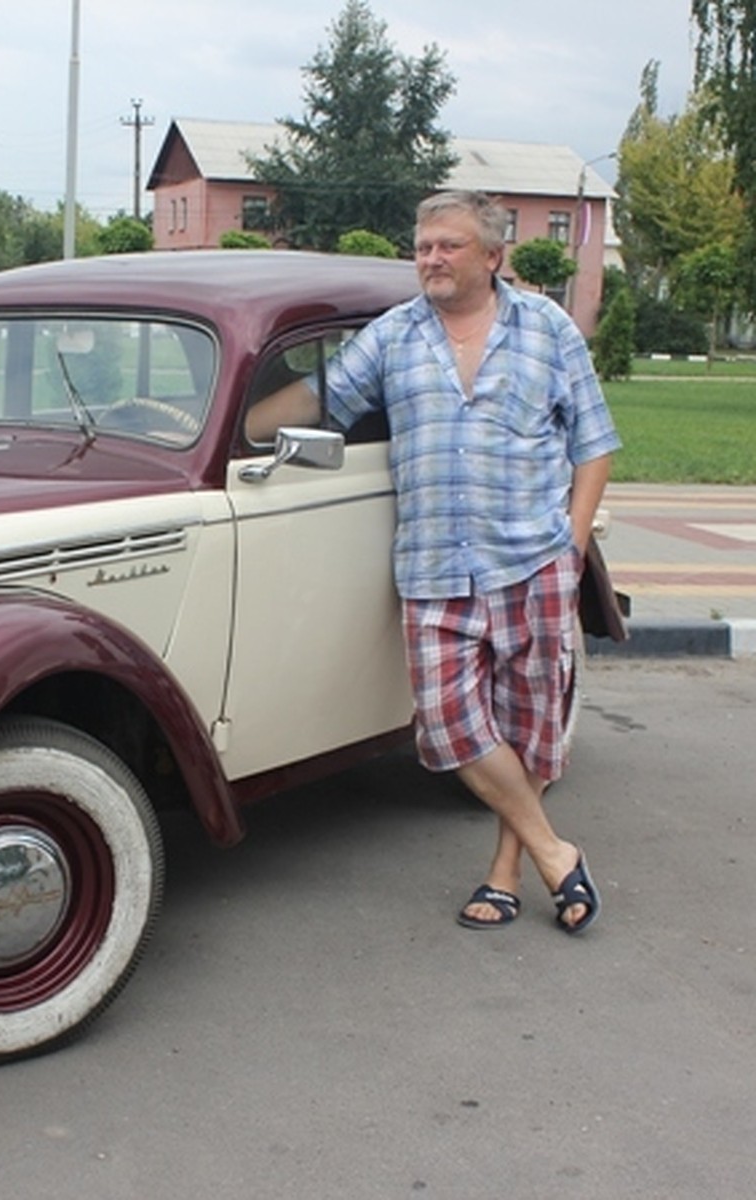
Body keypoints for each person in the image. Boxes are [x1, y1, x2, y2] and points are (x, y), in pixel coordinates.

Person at [246, 190, 620, 934]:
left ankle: (507, 873)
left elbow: (595, 444)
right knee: (448, 730)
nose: (431, 260)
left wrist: (572, 549)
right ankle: (556, 852)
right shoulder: (393, 337)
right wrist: (228, 421)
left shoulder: (546, 329)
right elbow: (324, 399)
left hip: (531, 559)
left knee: (529, 730)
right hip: (432, 566)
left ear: (492, 255)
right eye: (422, 247)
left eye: (448, 246)